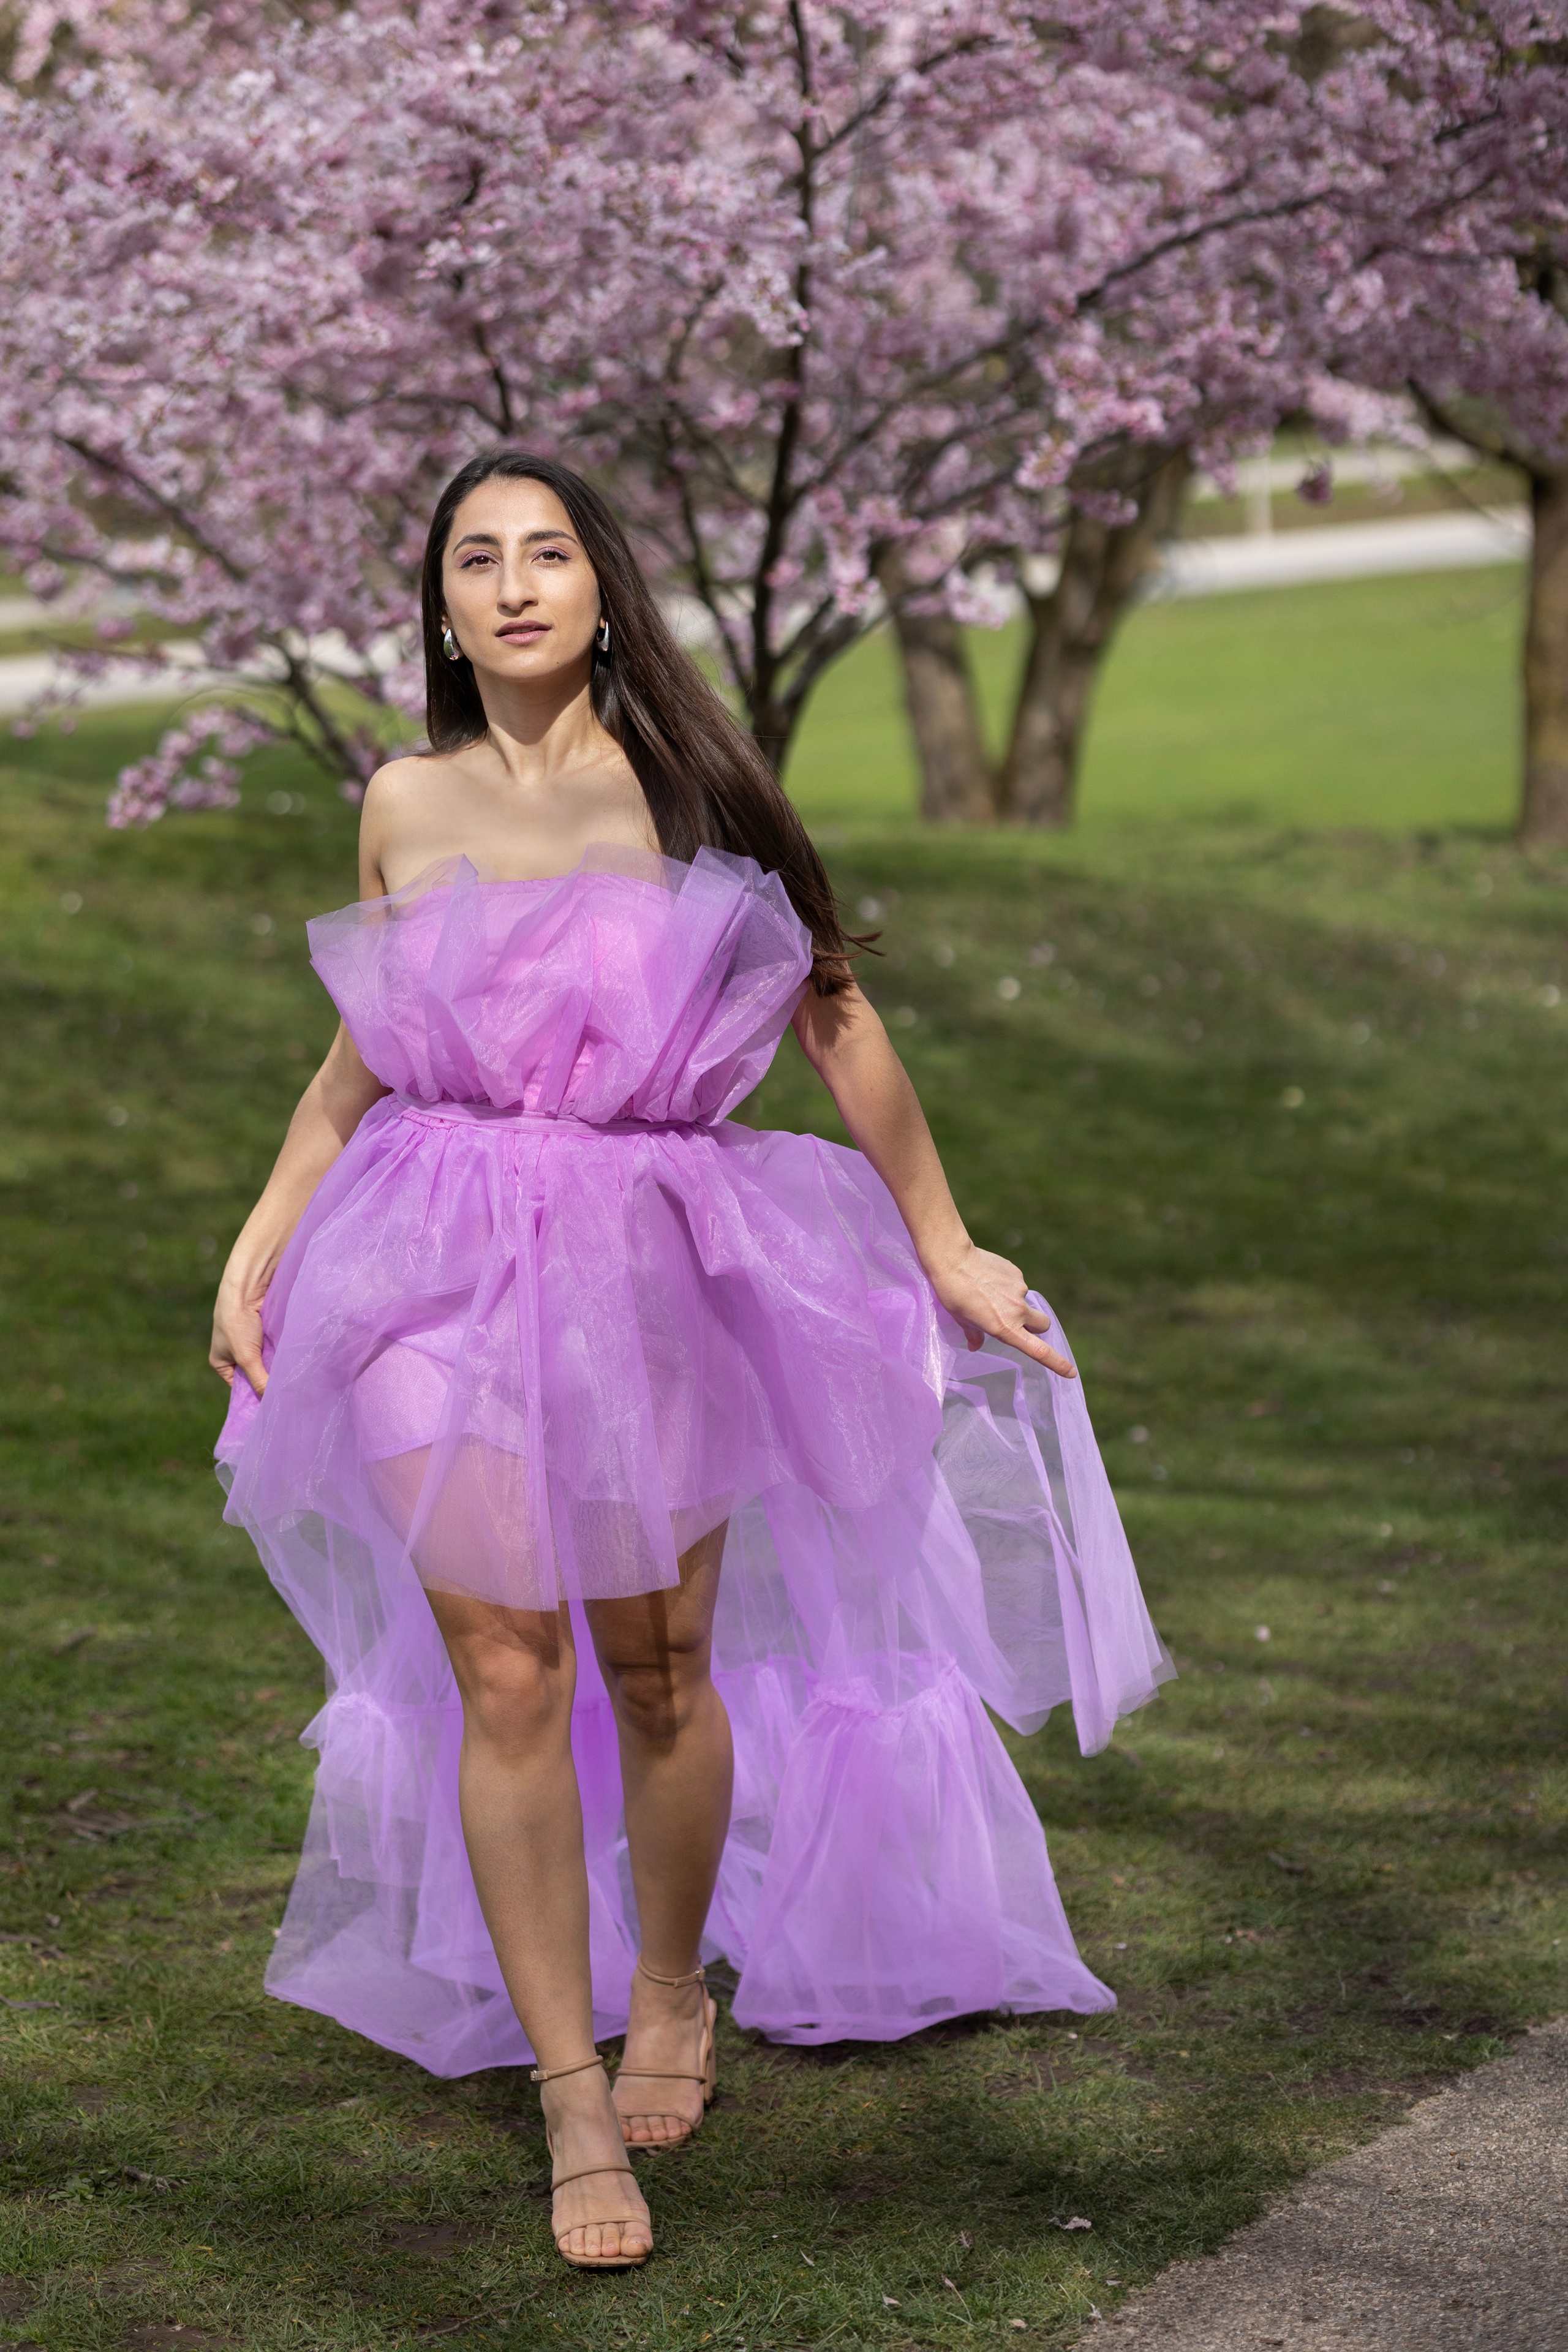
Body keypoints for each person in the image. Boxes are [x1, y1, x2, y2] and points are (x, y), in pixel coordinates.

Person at [211, 450, 1170, 2272]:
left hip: (655, 1257)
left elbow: (833, 1011)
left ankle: (671, 1986)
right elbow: (372, 1049)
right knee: (503, 1665)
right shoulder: (402, 797)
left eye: (547, 554)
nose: (512, 586)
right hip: (431, 1259)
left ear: (600, 587)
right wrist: (265, 1231)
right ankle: (572, 2095)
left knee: (659, 1665)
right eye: (476, 560)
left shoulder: (697, 785)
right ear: (439, 606)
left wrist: (944, 1240)